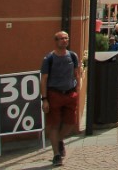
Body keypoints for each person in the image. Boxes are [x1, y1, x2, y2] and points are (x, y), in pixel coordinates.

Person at [40, 31, 82, 165]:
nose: (64, 41)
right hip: (54, 94)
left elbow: (76, 73)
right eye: (61, 39)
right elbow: (44, 79)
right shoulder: (49, 58)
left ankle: (58, 140)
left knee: (70, 123)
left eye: (66, 38)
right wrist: (44, 99)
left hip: (69, 93)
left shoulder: (73, 56)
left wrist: (77, 89)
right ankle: (56, 155)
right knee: (54, 125)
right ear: (56, 41)